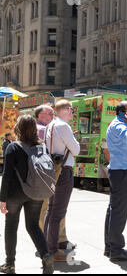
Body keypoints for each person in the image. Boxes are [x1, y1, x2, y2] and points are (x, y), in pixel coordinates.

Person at [0, 115, 54, 274]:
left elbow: (7, 175)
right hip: (35, 193)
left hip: (15, 195)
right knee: (32, 226)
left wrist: (2, 198)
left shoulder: (13, 147)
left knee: (11, 226)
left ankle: (10, 265)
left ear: (18, 127)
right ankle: (46, 255)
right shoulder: (42, 147)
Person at [35, 104, 75, 252]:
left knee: (54, 208)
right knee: (48, 209)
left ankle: (59, 238)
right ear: (42, 114)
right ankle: (48, 241)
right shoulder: (40, 129)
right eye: (51, 113)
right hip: (49, 172)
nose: (53, 115)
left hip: (49, 171)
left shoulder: (49, 127)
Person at [44, 100, 80, 262]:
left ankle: (46, 247)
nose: (72, 112)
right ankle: (52, 251)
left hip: (51, 170)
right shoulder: (63, 126)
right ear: (65, 110)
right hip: (63, 171)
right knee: (58, 212)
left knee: (51, 210)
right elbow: (76, 149)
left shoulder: (50, 125)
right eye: (71, 109)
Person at [104, 101, 127, 261]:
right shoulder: (119, 126)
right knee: (119, 211)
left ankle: (110, 247)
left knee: (114, 209)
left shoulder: (118, 125)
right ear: (123, 112)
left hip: (120, 171)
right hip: (121, 172)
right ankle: (116, 249)